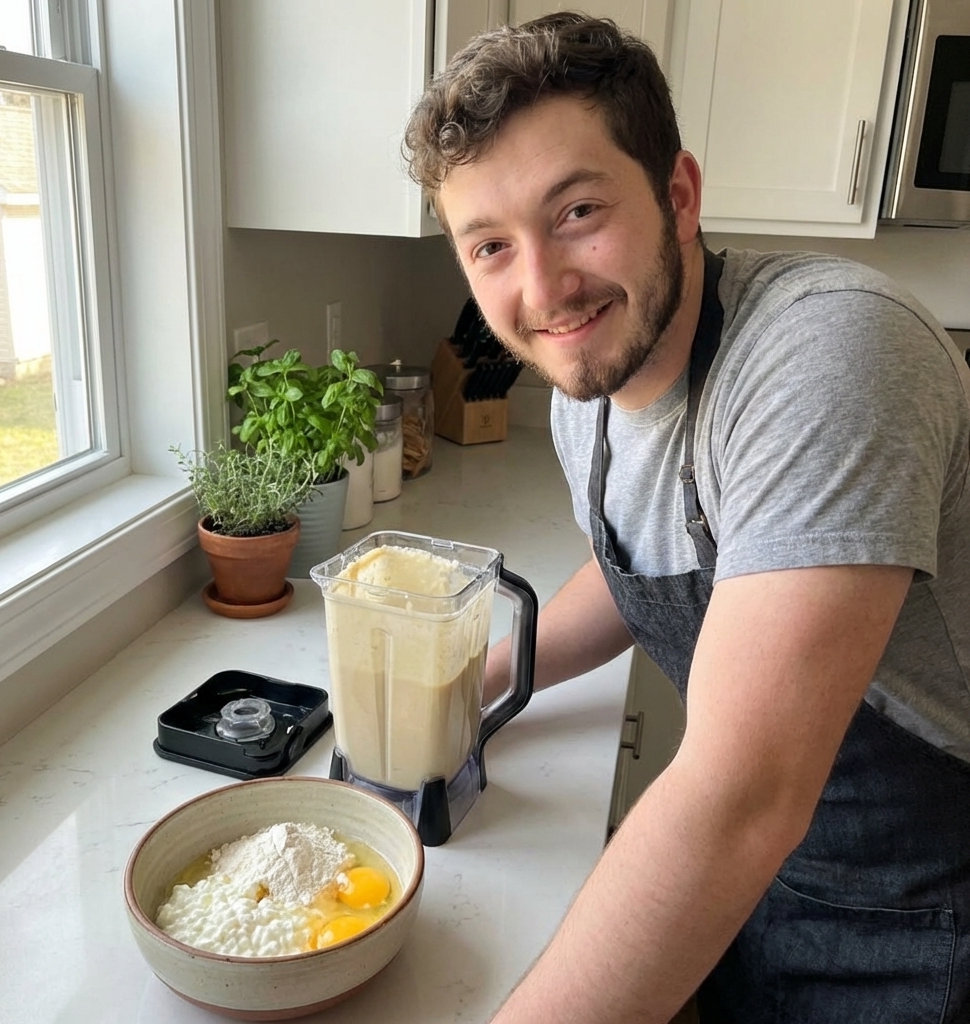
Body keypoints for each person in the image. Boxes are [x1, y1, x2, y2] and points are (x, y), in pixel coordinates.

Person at [403, 12, 970, 1024]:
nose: (542, 287)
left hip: (932, 910)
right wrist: (480, 682)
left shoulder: (828, 354)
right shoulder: (590, 388)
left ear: (678, 195)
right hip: (765, 885)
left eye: (576, 210)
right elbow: (631, 571)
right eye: (490, 244)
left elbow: (741, 799)